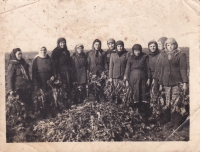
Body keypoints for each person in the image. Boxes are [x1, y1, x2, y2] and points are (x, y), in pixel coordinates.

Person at [154, 38, 188, 129]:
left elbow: (183, 69)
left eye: (172, 45)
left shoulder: (181, 55)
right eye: (168, 45)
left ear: (175, 45)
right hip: (166, 83)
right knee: (168, 102)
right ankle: (170, 121)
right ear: (166, 46)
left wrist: (185, 83)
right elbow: (161, 70)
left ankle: (176, 122)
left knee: (176, 103)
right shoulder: (163, 55)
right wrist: (161, 83)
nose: (170, 47)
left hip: (177, 83)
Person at [124, 44, 150, 113]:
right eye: (135, 51)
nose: (137, 52)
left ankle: (143, 110)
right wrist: (126, 80)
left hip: (143, 78)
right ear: (133, 51)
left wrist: (149, 78)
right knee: (135, 91)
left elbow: (148, 68)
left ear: (140, 50)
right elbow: (127, 69)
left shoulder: (144, 57)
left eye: (138, 51)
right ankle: (135, 108)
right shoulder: (130, 58)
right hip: (133, 78)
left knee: (143, 91)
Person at [51, 38, 73, 107]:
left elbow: (69, 62)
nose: (62, 44)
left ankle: (68, 102)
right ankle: (61, 103)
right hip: (60, 71)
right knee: (61, 87)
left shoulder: (67, 51)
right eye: (61, 43)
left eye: (63, 42)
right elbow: (54, 64)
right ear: (58, 43)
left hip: (67, 71)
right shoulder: (55, 52)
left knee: (68, 86)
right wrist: (56, 74)